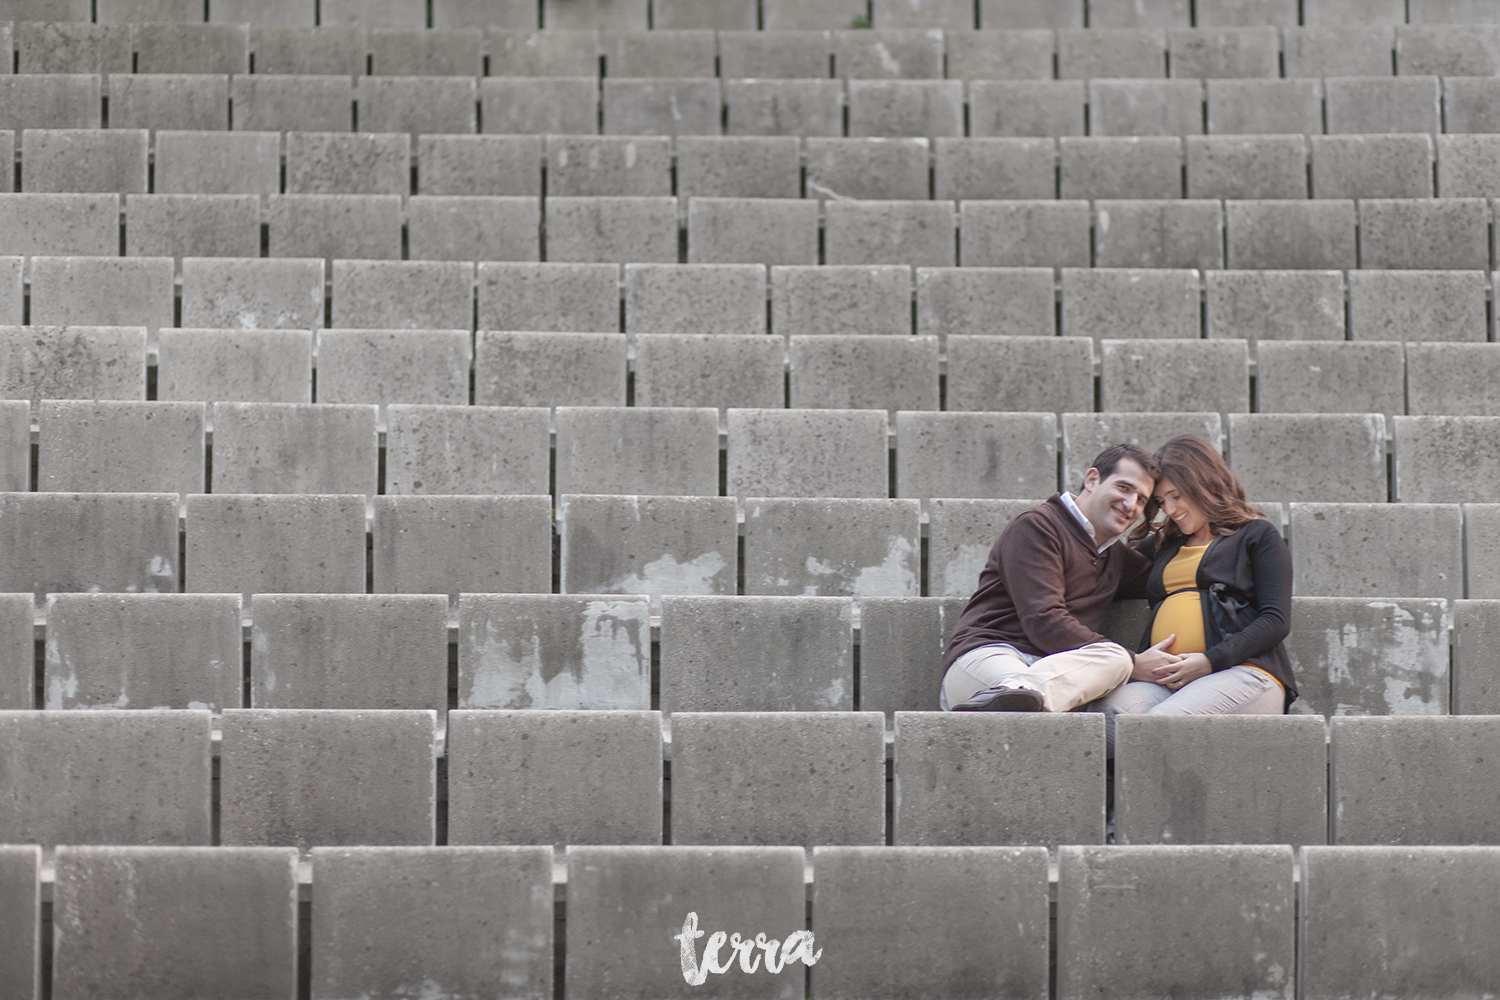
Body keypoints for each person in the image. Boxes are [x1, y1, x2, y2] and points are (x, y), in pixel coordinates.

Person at [939, 443, 1162, 713]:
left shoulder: (1117, 558)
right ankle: (1019, 697)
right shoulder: (1037, 525)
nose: (1131, 505)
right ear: (1092, 479)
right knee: (1119, 659)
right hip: (991, 656)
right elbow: (1043, 619)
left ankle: (1026, 700)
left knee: (1114, 661)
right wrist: (1135, 663)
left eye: (1141, 499)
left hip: (1058, 672)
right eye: (1124, 488)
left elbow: (1168, 577)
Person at [1100, 434, 1296, 737]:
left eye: (1177, 496)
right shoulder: (1165, 544)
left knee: (1154, 728)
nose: (1170, 509)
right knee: (1107, 717)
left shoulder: (1257, 536)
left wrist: (1209, 661)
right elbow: (1105, 575)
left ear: (1204, 483)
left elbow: (1276, 620)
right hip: (1170, 685)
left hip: (1245, 673)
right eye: (1161, 501)